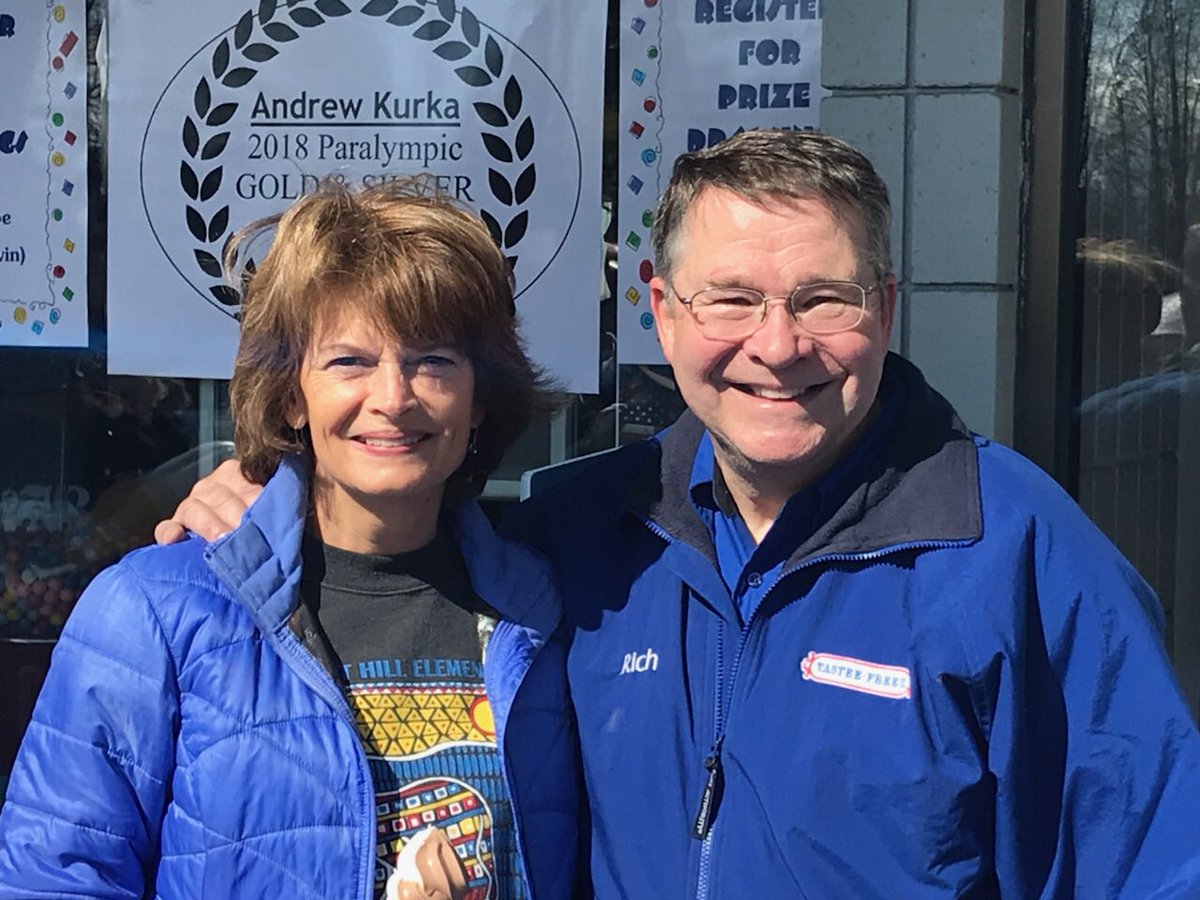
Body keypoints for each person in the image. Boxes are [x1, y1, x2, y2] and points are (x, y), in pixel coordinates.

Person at [154, 131, 1200, 898]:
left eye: (823, 299)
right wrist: (268, 502)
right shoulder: (577, 534)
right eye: (731, 298)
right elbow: (387, 535)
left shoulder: (1017, 554)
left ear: (885, 309)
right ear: (662, 308)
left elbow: (1154, 864)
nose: (777, 346)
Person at [0, 179, 582, 899]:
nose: (393, 397)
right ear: (290, 397)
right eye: (349, 361)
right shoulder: (155, 611)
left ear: (479, 399)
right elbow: (54, 879)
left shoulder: (545, 614)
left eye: (433, 359)